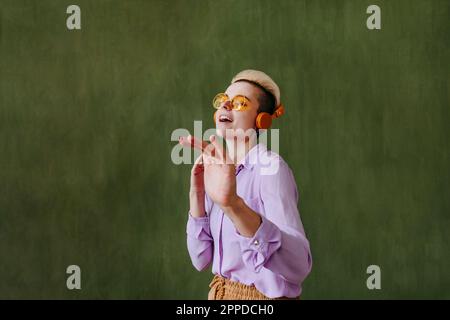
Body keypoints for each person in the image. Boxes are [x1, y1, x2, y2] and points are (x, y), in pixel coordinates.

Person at [179, 70, 312, 300]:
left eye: (240, 103)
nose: (226, 106)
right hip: (220, 295)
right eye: (223, 100)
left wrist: (234, 205)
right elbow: (200, 259)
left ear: (262, 120)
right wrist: (197, 195)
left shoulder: (271, 169)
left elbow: (300, 266)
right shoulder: (218, 170)